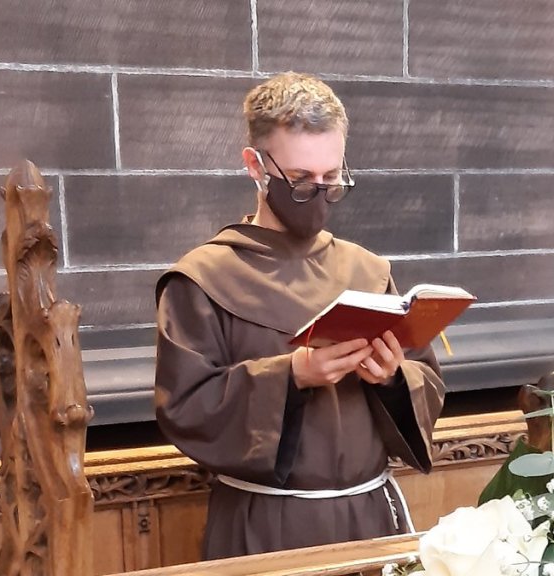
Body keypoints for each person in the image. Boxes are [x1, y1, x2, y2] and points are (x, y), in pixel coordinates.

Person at [154, 72, 445, 560]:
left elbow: (427, 380)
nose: (320, 192)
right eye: (301, 179)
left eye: (332, 179)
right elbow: (184, 408)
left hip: (369, 518)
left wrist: (393, 378)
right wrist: (291, 375)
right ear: (255, 165)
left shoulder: (367, 271)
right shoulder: (202, 279)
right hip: (266, 527)